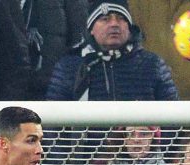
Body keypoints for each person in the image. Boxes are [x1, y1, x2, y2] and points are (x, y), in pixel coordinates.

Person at [46, 1, 178, 101]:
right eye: (105, 19)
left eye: (121, 18)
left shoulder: (152, 64)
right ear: (91, 28)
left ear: (129, 27)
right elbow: (53, 127)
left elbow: (173, 119)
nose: (114, 24)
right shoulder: (69, 67)